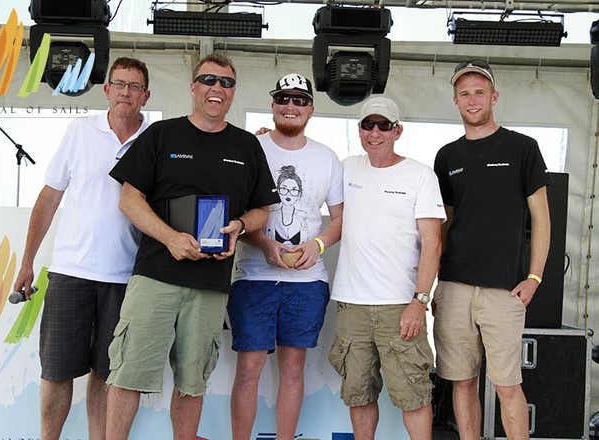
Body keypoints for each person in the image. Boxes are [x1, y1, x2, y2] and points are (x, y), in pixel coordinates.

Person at [104, 52, 280, 439]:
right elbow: (129, 200)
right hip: (155, 276)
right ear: (194, 86)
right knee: (128, 374)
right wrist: (170, 238)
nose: (218, 89)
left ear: (233, 93)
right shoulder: (162, 135)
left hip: (211, 284)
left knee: (192, 382)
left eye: (227, 83)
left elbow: (262, 211)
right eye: (209, 80)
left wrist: (238, 225)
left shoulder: (248, 146)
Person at [12, 57, 151, 440]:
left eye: (135, 86)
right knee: (56, 371)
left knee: (108, 376)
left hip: (128, 278)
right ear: (107, 90)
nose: (126, 92)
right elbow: (50, 196)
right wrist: (27, 262)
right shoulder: (79, 131)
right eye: (119, 84)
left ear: (145, 95)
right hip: (71, 271)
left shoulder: (157, 138)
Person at [433, 60, 551, 440]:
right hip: (454, 287)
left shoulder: (523, 148)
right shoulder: (447, 156)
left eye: (479, 92)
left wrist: (534, 278)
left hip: (504, 289)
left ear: (494, 97)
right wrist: (434, 285)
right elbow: (443, 226)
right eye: (464, 93)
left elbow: (543, 220)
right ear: (455, 101)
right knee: (462, 383)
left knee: (507, 386)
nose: (472, 100)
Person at [228, 73, 344, 440]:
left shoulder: (327, 158)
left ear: (310, 108)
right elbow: (236, 215)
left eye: (299, 100)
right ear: (273, 103)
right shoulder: (251, 148)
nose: (290, 106)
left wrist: (317, 247)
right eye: (283, 99)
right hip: (253, 278)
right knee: (248, 368)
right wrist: (264, 244)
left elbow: (340, 219)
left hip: (307, 283)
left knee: (294, 370)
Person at [328, 97, 446, 440]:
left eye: (383, 125)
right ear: (359, 129)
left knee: (414, 395)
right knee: (358, 393)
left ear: (398, 131)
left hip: (400, 306)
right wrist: (267, 139)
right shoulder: (346, 167)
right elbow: (305, 168)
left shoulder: (421, 175)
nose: (375, 133)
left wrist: (418, 302)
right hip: (352, 304)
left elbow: (433, 243)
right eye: (368, 125)